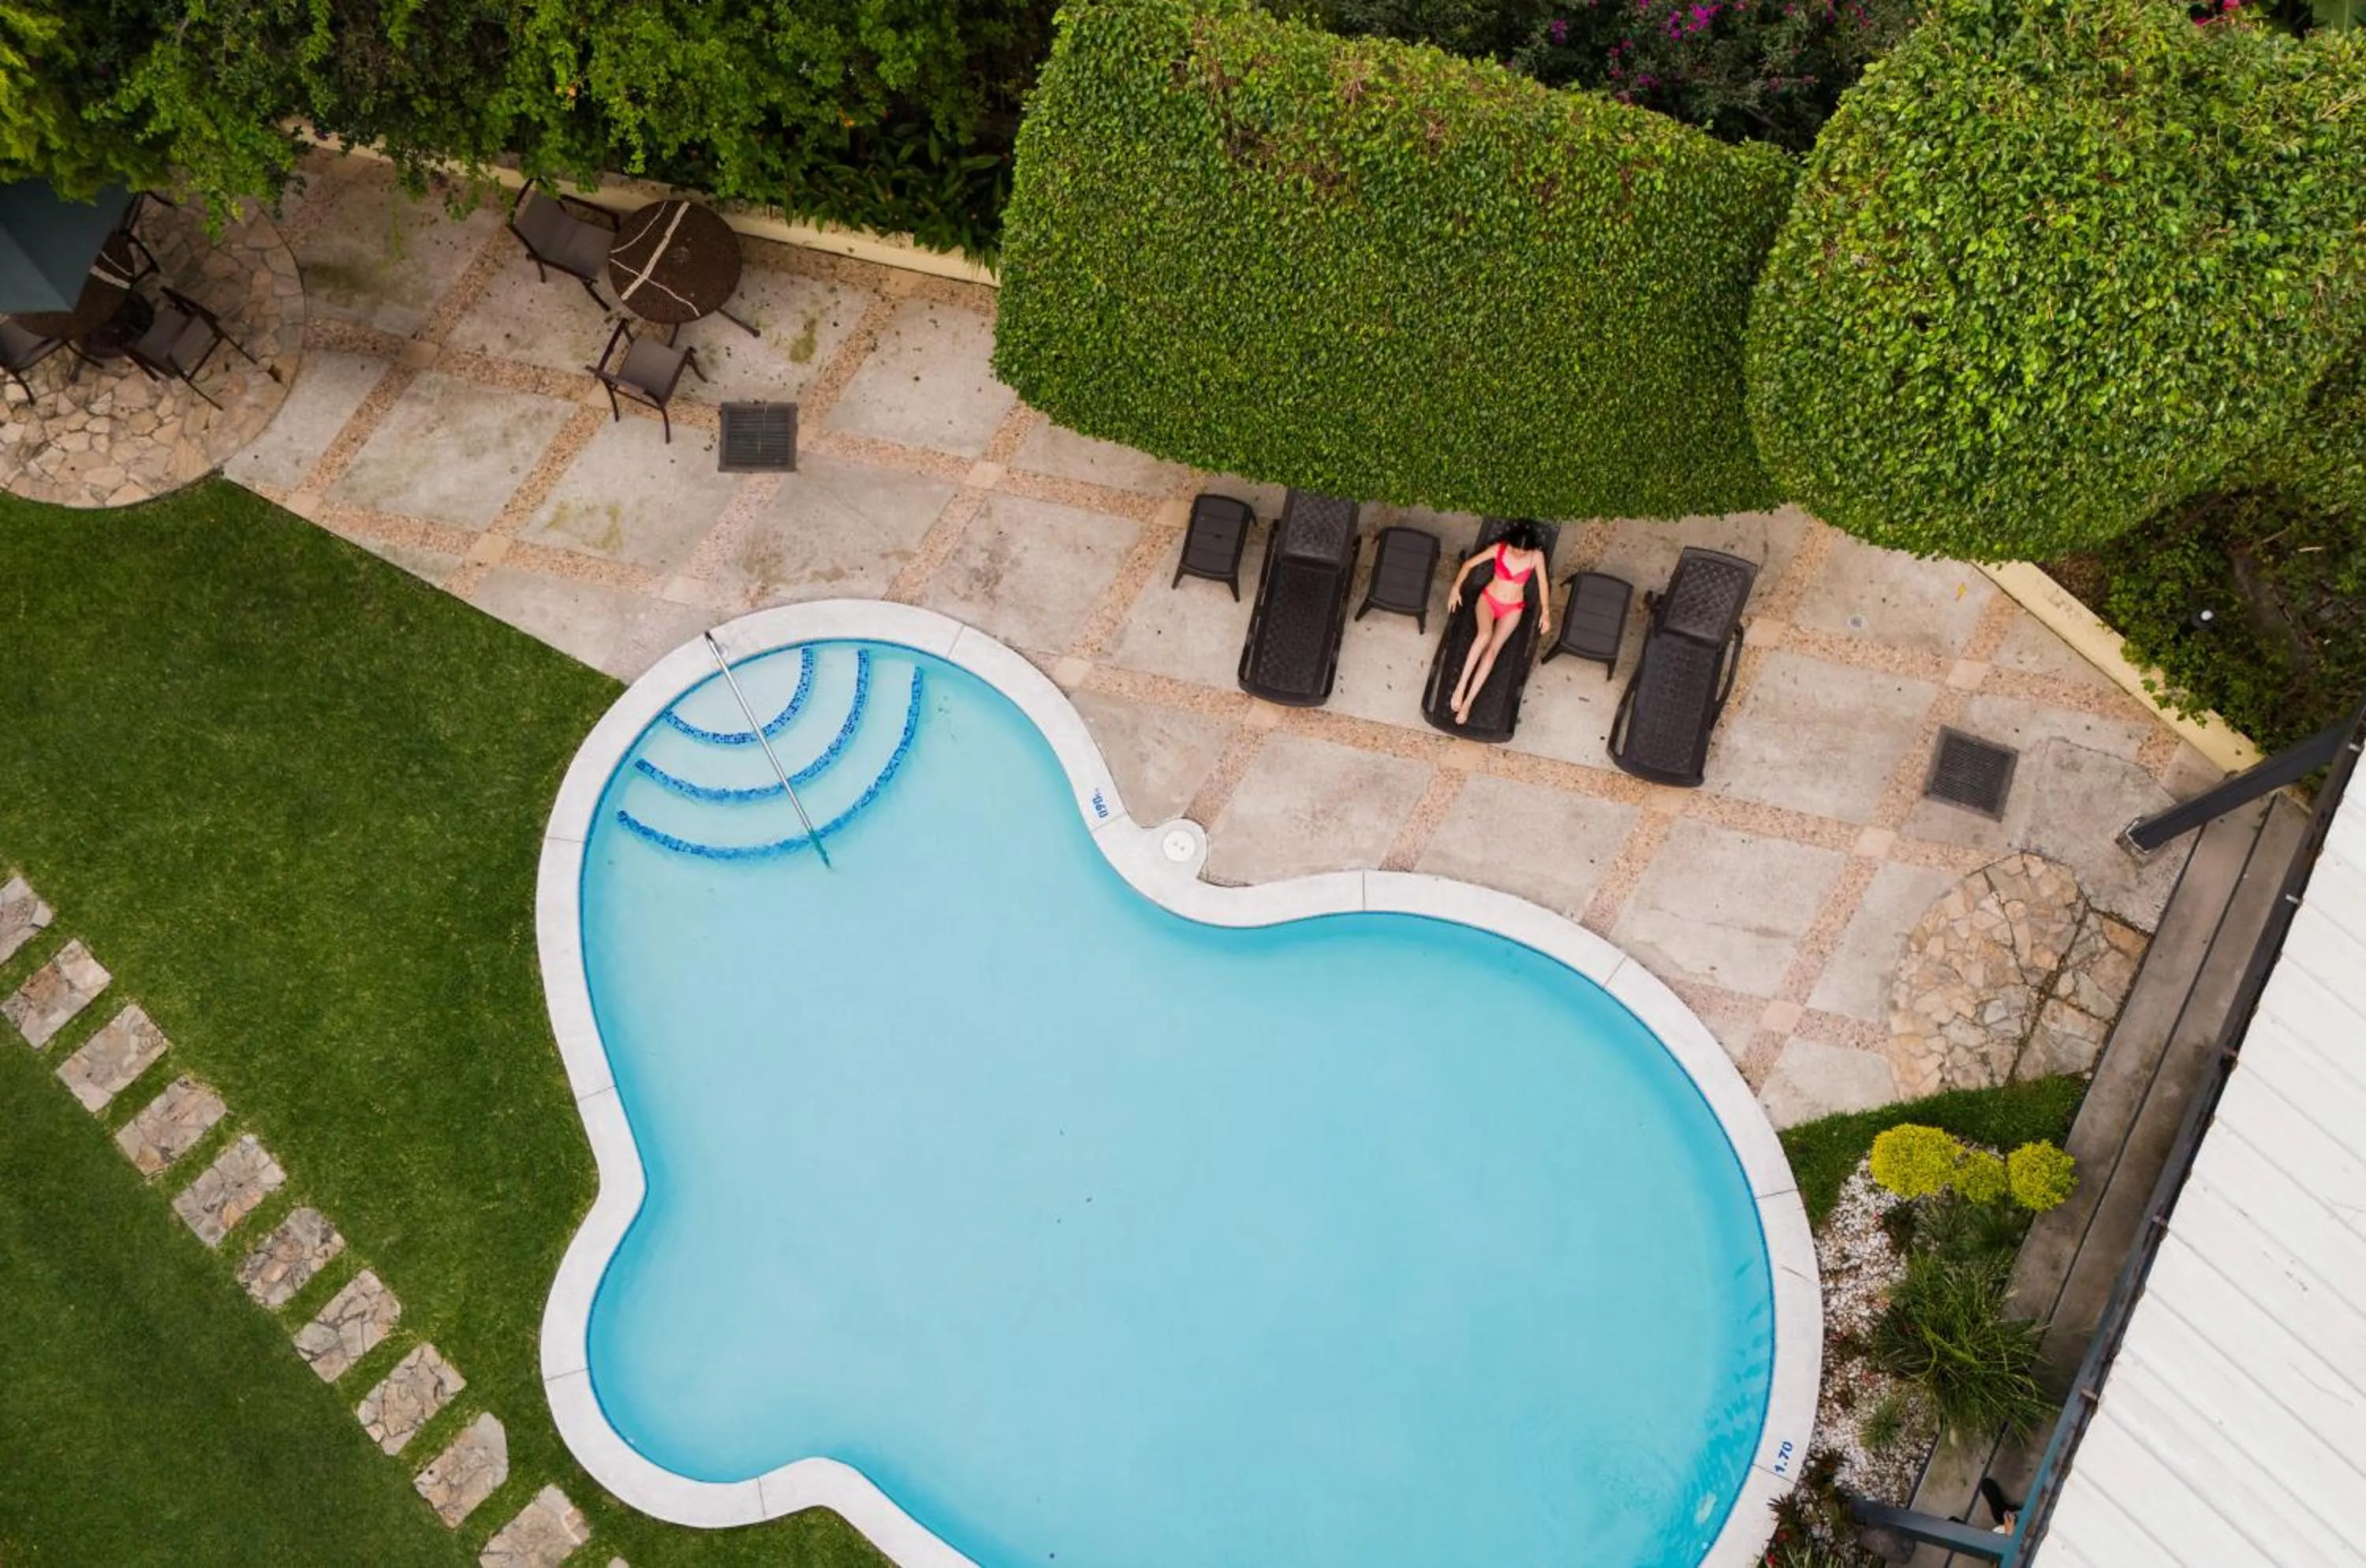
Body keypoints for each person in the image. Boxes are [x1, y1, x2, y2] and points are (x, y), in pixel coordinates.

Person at [1444, 522, 1550, 726]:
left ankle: (1468, 702)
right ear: (1509, 545)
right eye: (1514, 550)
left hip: (1513, 608)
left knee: (1492, 652)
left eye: (1522, 553)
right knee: (1484, 635)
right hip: (1489, 601)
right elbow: (1468, 564)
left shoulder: (1536, 556)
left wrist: (1545, 612)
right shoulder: (1499, 549)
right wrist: (1455, 588)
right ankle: (1460, 686)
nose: (1518, 555)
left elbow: (1544, 584)